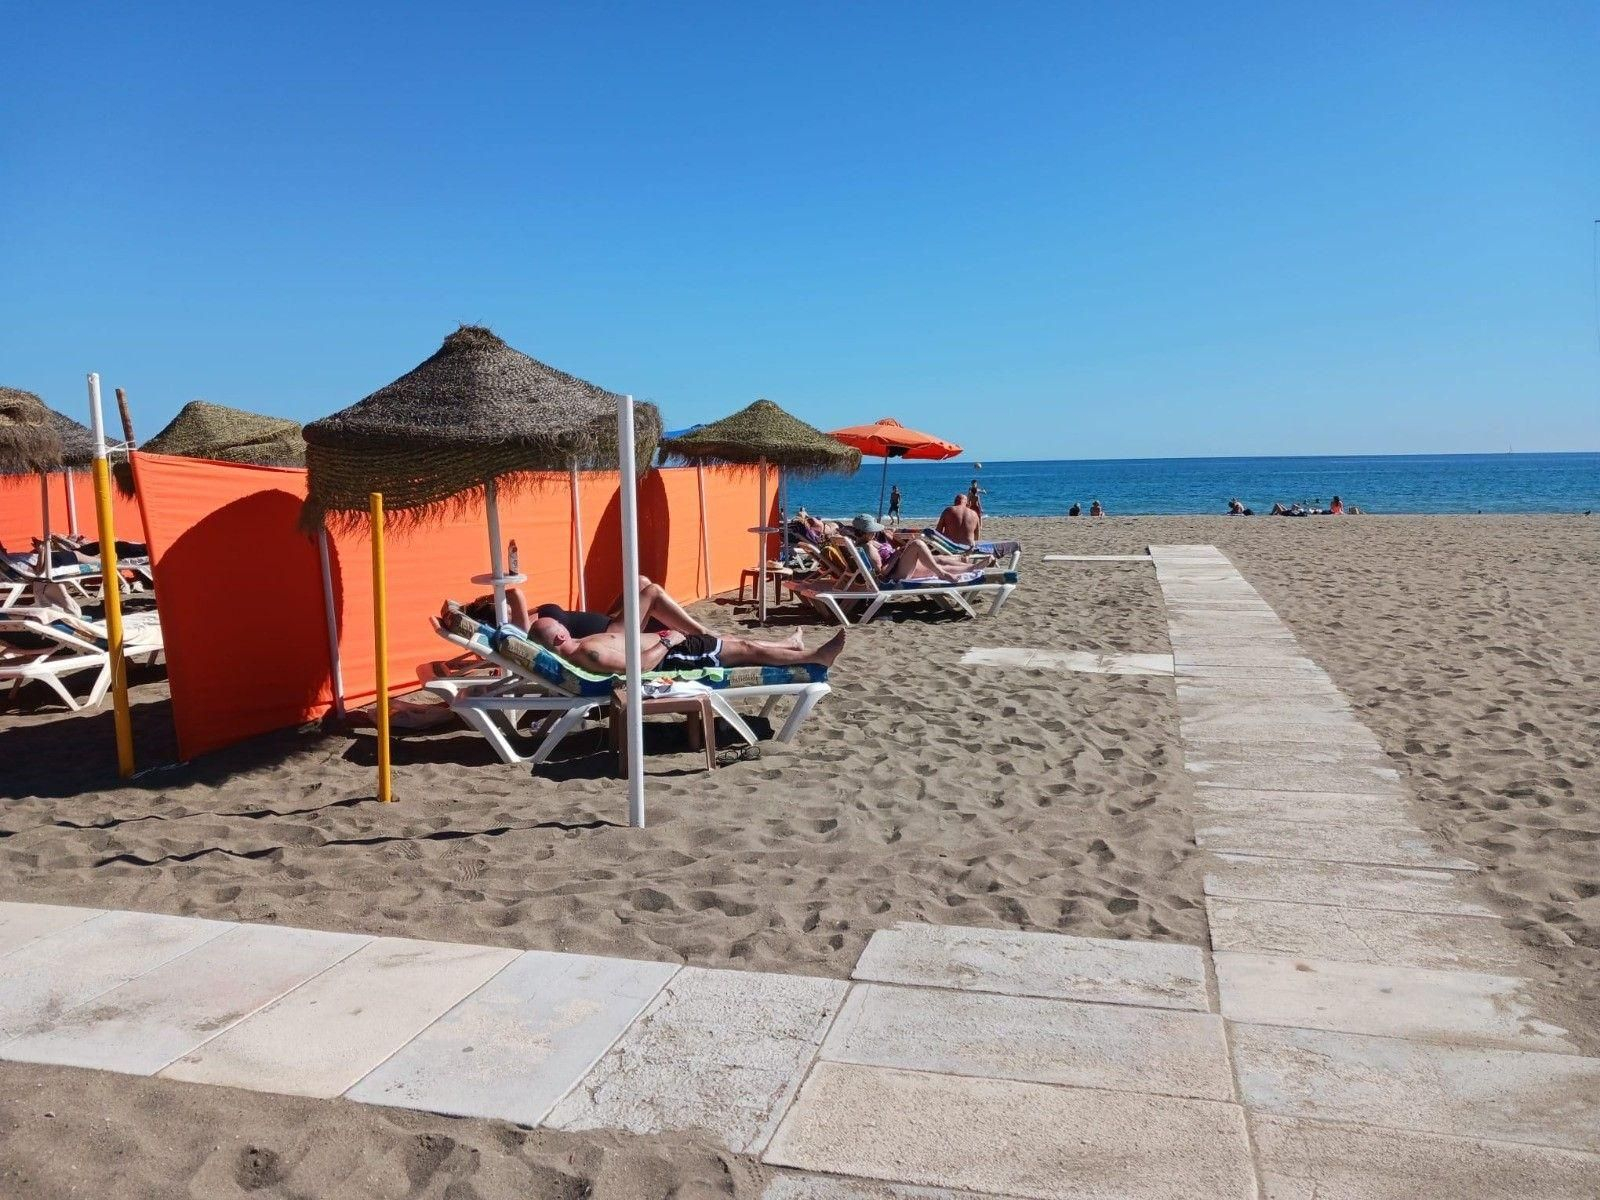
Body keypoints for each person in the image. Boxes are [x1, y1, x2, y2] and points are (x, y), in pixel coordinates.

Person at [529, 612, 846, 675]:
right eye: (561, 624)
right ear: (559, 636)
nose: (565, 624)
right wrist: (667, 641)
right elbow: (637, 667)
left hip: (679, 648)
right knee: (747, 652)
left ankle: (789, 645)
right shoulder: (589, 651)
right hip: (677, 656)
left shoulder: (579, 646)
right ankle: (815, 657)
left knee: (736, 642)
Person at [468, 576, 712, 640]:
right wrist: (495, 593)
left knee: (639, 581)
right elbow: (516, 592)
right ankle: (704, 635)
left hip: (607, 623)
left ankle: (678, 627)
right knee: (653, 592)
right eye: (501, 606)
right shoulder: (518, 628)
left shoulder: (528, 615)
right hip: (612, 637)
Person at [846, 515, 976, 583]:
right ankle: (943, 574)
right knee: (918, 545)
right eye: (871, 530)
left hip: (899, 565)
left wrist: (899, 550)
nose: (874, 532)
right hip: (895, 574)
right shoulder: (868, 547)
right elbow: (882, 573)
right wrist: (896, 554)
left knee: (938, 559)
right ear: (863, 532)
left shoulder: (868, 541)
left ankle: (973, 568)